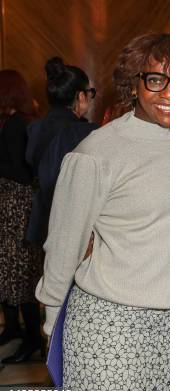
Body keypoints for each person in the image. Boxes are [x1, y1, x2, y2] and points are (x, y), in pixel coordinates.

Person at [35, 33, 170, 391]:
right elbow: (64, 245)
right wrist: (51, 323)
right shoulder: (96, 153)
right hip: (112, 324)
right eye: (155, 80)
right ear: (134, 84)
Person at [25, 57, 99, 248]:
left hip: (41, 219)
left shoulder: (35, 128)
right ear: (80, 96)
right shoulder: (84, 131)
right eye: (90, 92)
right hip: (71, 222)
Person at [0, 70, 44, 364]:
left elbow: (22, 171)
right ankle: (15, 329)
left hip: (17, 205)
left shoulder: (18, 124)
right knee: (9, 270)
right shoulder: (13, 122)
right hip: (11, 205)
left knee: (20, 272)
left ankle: (30, 337)